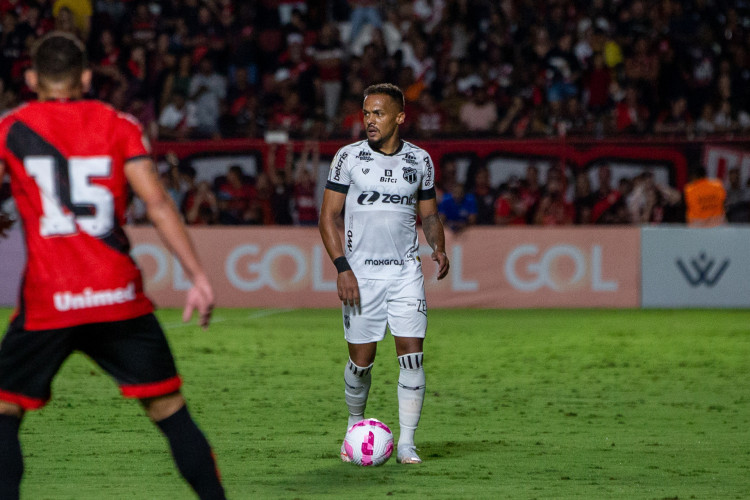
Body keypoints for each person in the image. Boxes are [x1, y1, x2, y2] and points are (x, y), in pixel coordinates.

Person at [0, 33, 225, 499]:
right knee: (171, 412)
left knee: (4, 412)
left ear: (31, 79)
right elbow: (159, 204)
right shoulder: (117, 124)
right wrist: (197, 276)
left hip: (50, 301)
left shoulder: (11, 128)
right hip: (118, 298)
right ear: (85, 77)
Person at [318, 83, 450, 465]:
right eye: (366, 113)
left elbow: (429, 215)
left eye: (378, 113)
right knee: (361, 363)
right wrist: (342, 268)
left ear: (399, 117)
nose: (369, 121)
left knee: (412, 358)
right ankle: (354, 426)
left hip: (406, 273)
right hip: (361, 276)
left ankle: (407, 443)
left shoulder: (420, 161)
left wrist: (437, 247)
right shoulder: (348, 158)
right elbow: (328, 216)